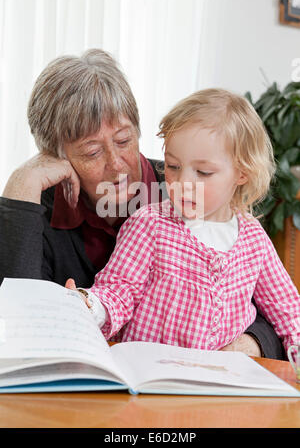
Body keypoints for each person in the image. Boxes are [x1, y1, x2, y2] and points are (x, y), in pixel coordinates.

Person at [0, 49, 283, 358]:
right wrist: (21, 185)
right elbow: (14, 325)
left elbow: (270, 307)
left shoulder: (197, 189)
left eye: (124, 141)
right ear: (57, 155)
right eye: (92, 151)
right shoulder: (38, 209)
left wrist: (250, 344)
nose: (118, 165)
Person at [67, 88, 300, 356]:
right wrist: (88, 306)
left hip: (220, 385)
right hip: (148, 379)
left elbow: (289, 311)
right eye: (174, 166)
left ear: (242, 174)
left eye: (203, 172)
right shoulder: (149, 225)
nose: (182, 183)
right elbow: (119, 291)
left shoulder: (254, 240)